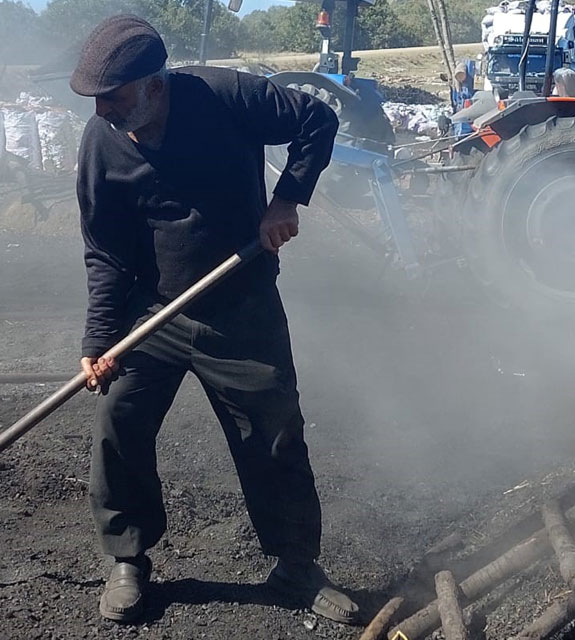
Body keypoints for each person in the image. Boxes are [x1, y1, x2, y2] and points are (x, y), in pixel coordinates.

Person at [69, 14, 359, 627]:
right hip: (152, 314)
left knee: (274, 435)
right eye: (97, 101)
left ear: (154, 83)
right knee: (118, 422)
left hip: (240, 304)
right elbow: (106, 251)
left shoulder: (223, 96)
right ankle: (127, 558)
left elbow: (317, 119)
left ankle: (297, 567)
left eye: (114, 98)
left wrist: (286, 199)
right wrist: (100, 339)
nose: (104, 112)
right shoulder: (102, 145)